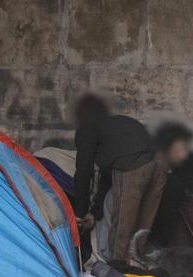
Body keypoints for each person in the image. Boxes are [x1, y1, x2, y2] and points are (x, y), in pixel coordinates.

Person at [72, 94, 173, 266]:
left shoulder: (87, 128)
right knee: (143, 223)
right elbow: (107, 178)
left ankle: (117, 268)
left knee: (123, 225)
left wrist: (79, 214)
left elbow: (83, 172)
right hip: (161, 163)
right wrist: (94, 213)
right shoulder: (116, 125)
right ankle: (136, 262)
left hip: (134, 164)